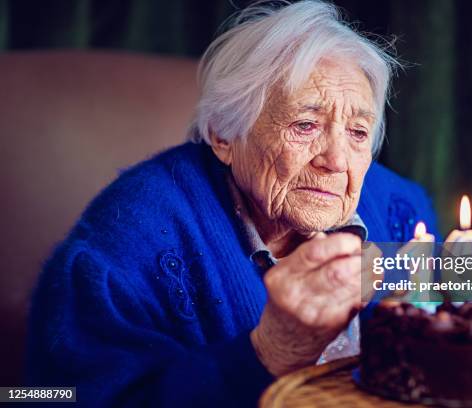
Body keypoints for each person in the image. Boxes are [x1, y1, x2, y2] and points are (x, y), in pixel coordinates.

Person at [27, 1, 438, 406]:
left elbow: (471, 314)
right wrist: (267, 353)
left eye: (358, 132)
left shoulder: (400, 207)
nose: (335, 161)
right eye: (305, 125)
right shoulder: (125, 240)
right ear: (224, 135)